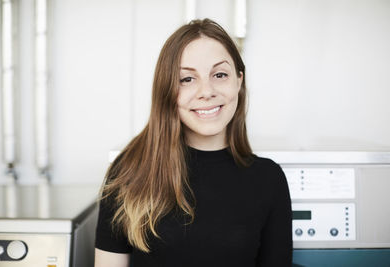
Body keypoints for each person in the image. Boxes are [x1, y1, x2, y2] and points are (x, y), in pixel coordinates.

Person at [94, 18, 292, 267]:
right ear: (167, 89)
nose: (206, 91)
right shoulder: (130, 170)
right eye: (187, 79)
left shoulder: (268, 179)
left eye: (219, 74)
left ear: (239, 81)